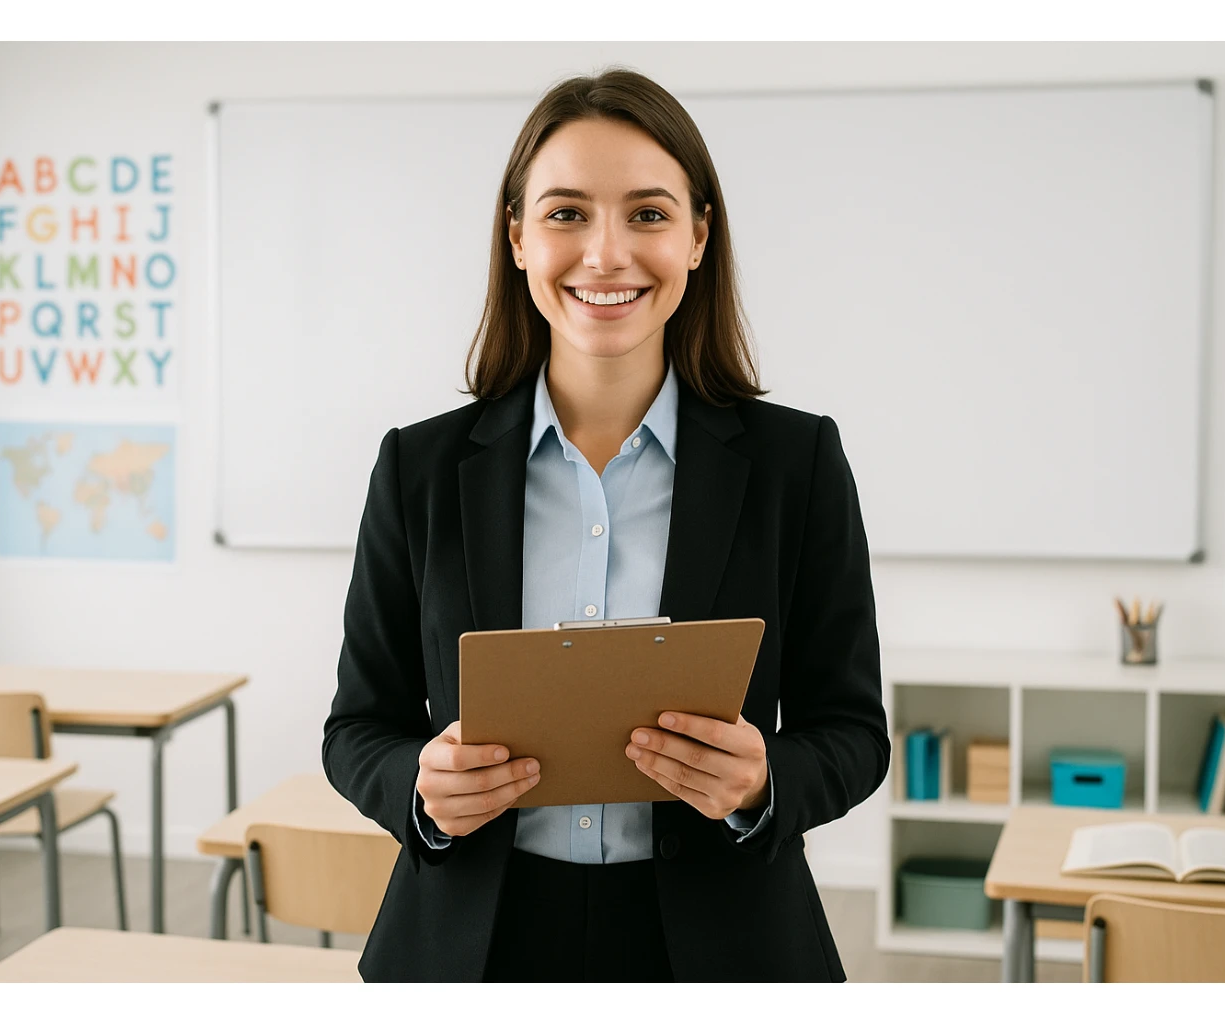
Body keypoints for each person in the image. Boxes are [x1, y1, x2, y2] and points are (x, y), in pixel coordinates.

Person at [323, 66, 888, 983]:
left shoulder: (799, 466)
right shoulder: (418, 469)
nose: (606, 254)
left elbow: (853, 732)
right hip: (475, 945)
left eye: (650, 214)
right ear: (517, 238)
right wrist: (420, 792)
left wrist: (761, 782)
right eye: (566, 213)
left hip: (721, 947)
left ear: (700, 237)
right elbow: (358, 728)